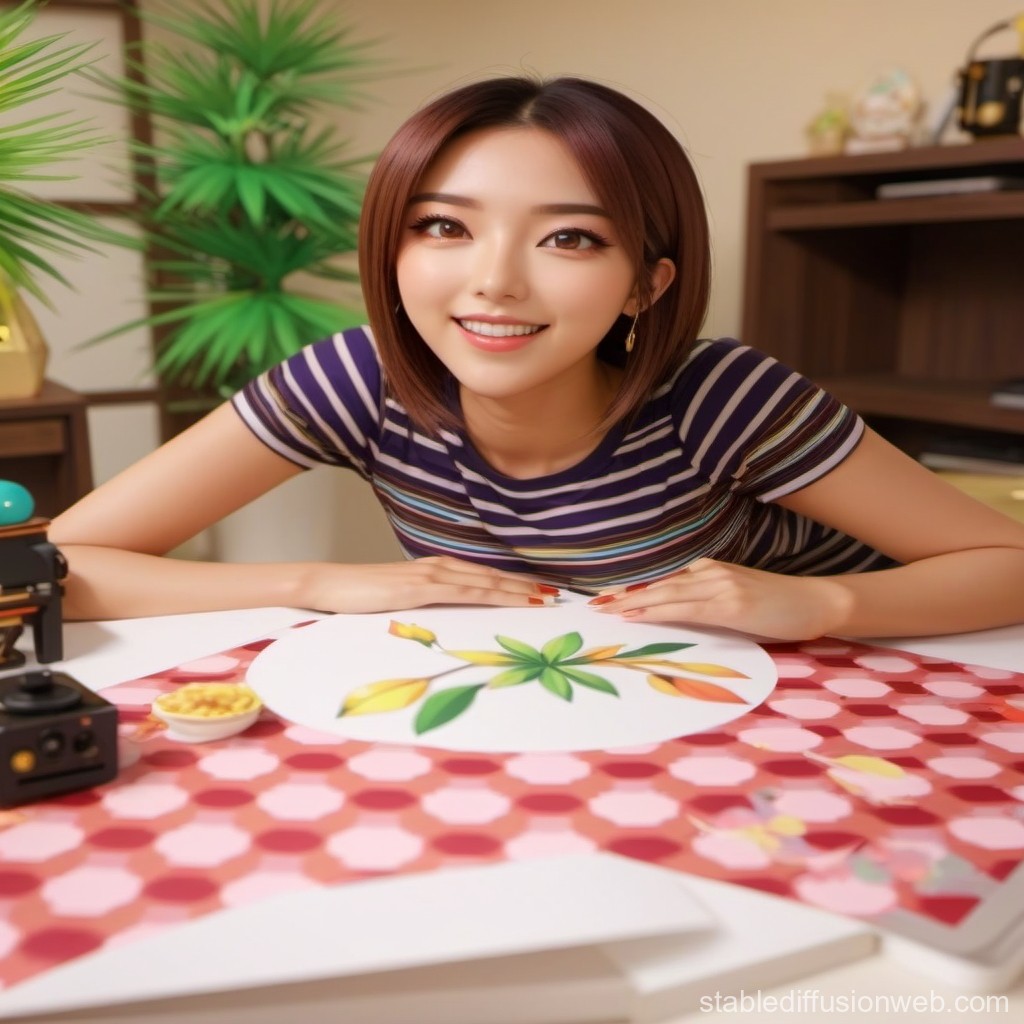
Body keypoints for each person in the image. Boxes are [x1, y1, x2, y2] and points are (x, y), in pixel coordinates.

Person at [51, 75, 1024, 642]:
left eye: (569, 239)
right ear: (393, 252)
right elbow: (54, 567)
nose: (494, 284)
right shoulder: (358, 381)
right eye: (443, 228)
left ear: (646, 283)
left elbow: (1005, 561)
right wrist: (319, 583)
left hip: (834, 681)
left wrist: (820, 602)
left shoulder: (722, 398)